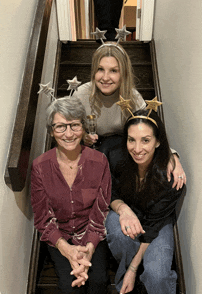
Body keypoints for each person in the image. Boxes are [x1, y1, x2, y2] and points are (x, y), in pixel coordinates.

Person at [72, 42, 186, 189]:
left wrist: (172, 156)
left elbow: (151, 131)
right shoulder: (80, 94)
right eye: (100, 69)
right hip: (91, 149)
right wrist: (83, 136)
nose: (105, 77)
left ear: (123, 73)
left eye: (114, 71)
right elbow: (69, 128)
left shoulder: (133, 97)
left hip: (121, 150)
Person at [31, 96, 111, 294]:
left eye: (74, 125)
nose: (68, 134)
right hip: (60, 237)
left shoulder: (99, 161)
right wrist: (69, 252)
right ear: (51, 131)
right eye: (60, 127)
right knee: (69, 288)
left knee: (99, 281)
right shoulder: (40, 167)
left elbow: (100, 212)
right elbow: (43, 218)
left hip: (91, 235)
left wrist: (87, 253)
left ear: (83, 128)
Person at [105, 103, 186, 294]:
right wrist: (124, 210)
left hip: (156, 222)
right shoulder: (116, 157)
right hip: (124, 209)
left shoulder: (171, 177)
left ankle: (136, 271)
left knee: (156, 275)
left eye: (145, 140)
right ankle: (129, 273)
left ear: (158, 142)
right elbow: (108, 192)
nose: (137, 148)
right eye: (131, 140)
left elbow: (152, 227)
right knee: (118, 232)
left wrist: (133, 269)